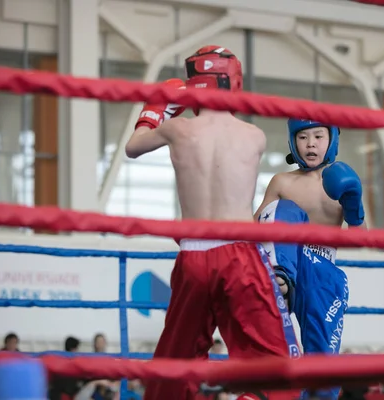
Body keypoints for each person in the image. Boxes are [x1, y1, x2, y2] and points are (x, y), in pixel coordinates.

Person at [125, 45, 301, 400]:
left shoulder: (177, 129)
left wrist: (156, 109)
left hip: (193, 257)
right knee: (271, 363)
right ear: (233, 83)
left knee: (176, 363)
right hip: (239, 254)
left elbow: (133, 147)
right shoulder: (254, 135)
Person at [254, 119, 367, 400]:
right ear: (293, 142)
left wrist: (354, 208)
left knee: (323, 369)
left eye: (318, 136)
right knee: (284, 208)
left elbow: (361, 241)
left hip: (323, 271)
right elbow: (255, 226)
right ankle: (280, 280)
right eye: (303, 137)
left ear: (332, 141)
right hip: (283, 264)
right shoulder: (282, 181)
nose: (311, 143)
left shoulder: (343, 182)